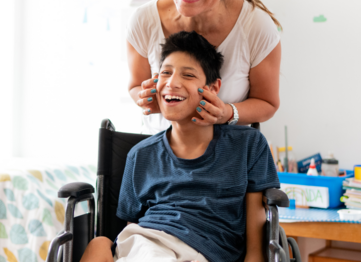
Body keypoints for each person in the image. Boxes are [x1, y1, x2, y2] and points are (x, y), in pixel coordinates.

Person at [81, 31, 279, 262]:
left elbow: (256, 247)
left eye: (188, 75)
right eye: (165, 72)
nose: (172, 83)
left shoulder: (248, 145)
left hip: (204, 252)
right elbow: (130, 229)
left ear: (213, 88)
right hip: (145, 244)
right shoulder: (140, 155)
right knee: (99, 244)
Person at [127, 0, 282, 134]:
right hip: (160, 159)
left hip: (226, 162)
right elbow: (135, 86)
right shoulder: (143, 20)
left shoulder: (256, 27)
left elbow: (267, 104)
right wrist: (144, 98)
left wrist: (227, 113)